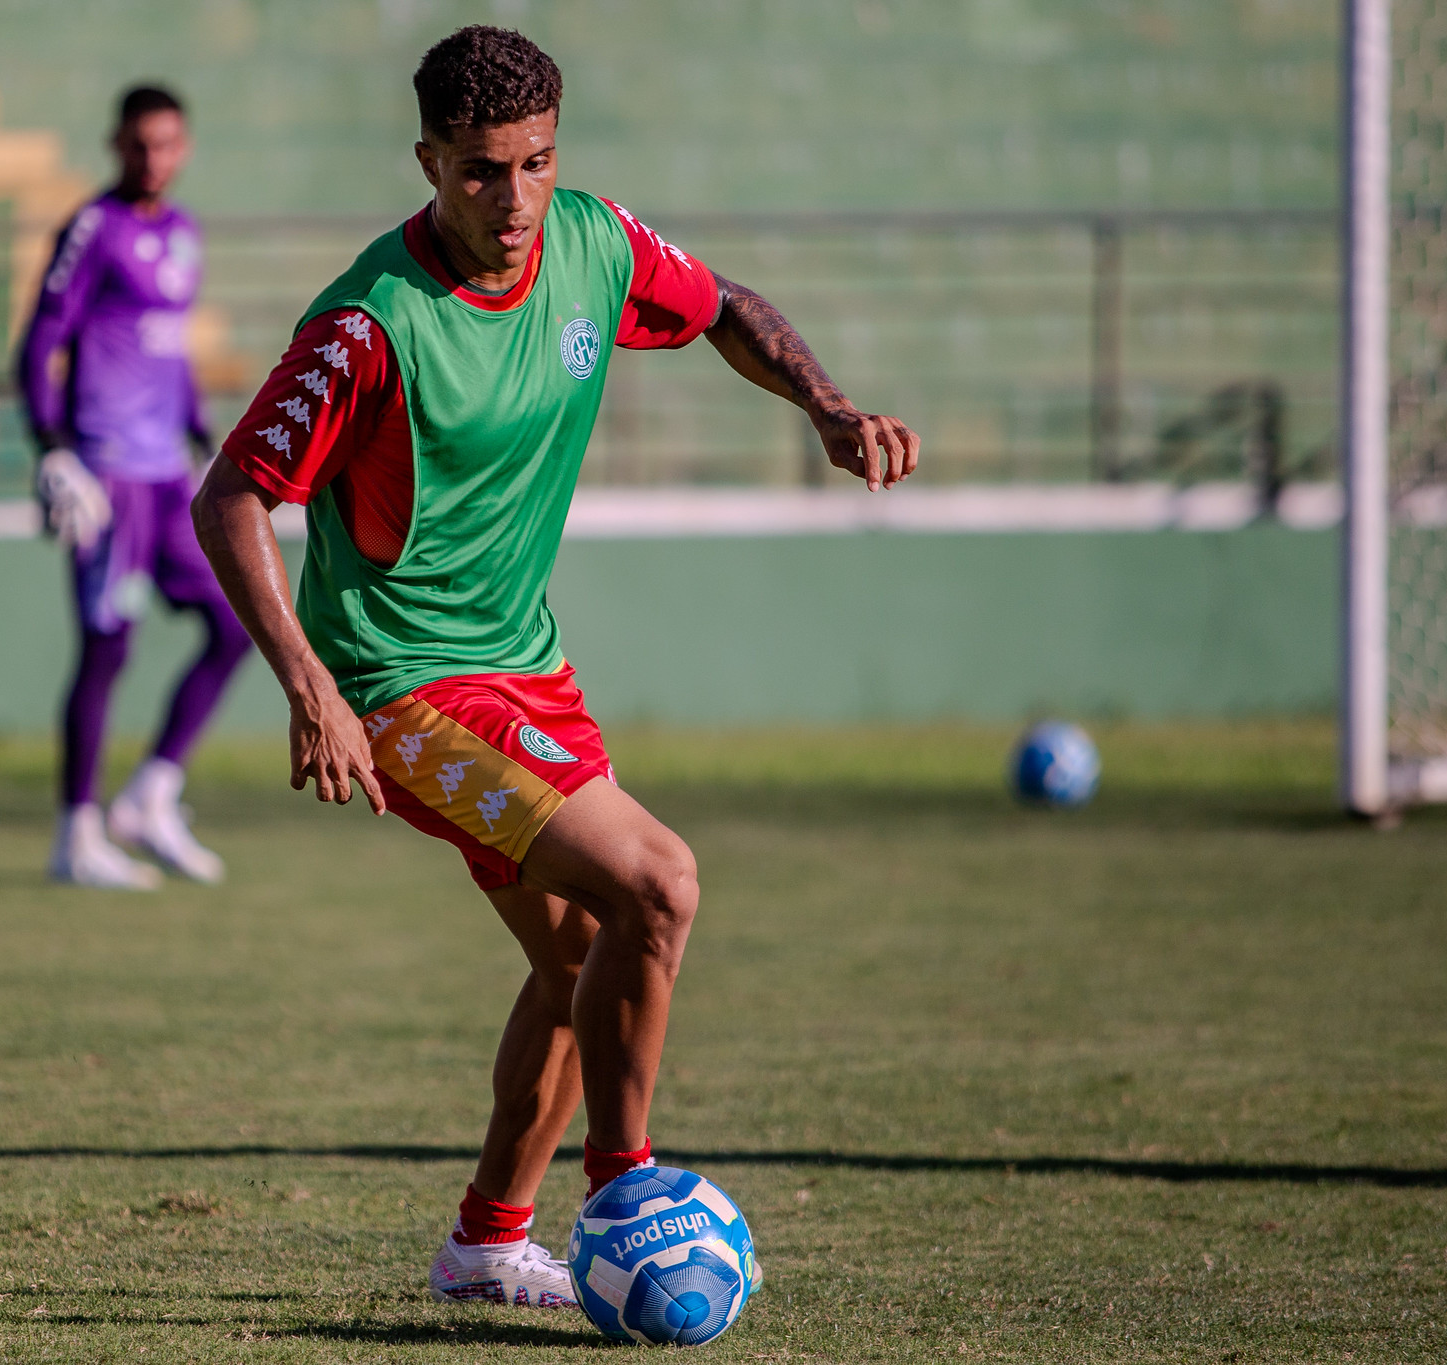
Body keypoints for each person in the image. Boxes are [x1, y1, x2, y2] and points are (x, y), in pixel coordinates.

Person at [193, 26, 920, 1308]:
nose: (514, 200)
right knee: (660, 883)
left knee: (584, 956)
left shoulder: (592, 238)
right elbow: (233, 497)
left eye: (534, 164)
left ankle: (486, 1243)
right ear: (428, 162)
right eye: (480, 172)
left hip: (527, 671)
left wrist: (824, 407)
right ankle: (627, 1195)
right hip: (403, 694)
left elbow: (724, 309)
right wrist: (310, 686)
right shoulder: (369, 324)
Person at [18, 84, 254, 889]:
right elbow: (41, 338)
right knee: (107, 647)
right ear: (116, 145)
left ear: (183, 147)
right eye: (139, 144)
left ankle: (151, 794)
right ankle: (75, 834)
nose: (153, 159)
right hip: (108, 474)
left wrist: (205, 437)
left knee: (235, 623)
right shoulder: (93, 228)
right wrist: (51, 448)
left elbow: (169, 349)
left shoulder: (183, 233)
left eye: (167, 144)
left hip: (167, 477)